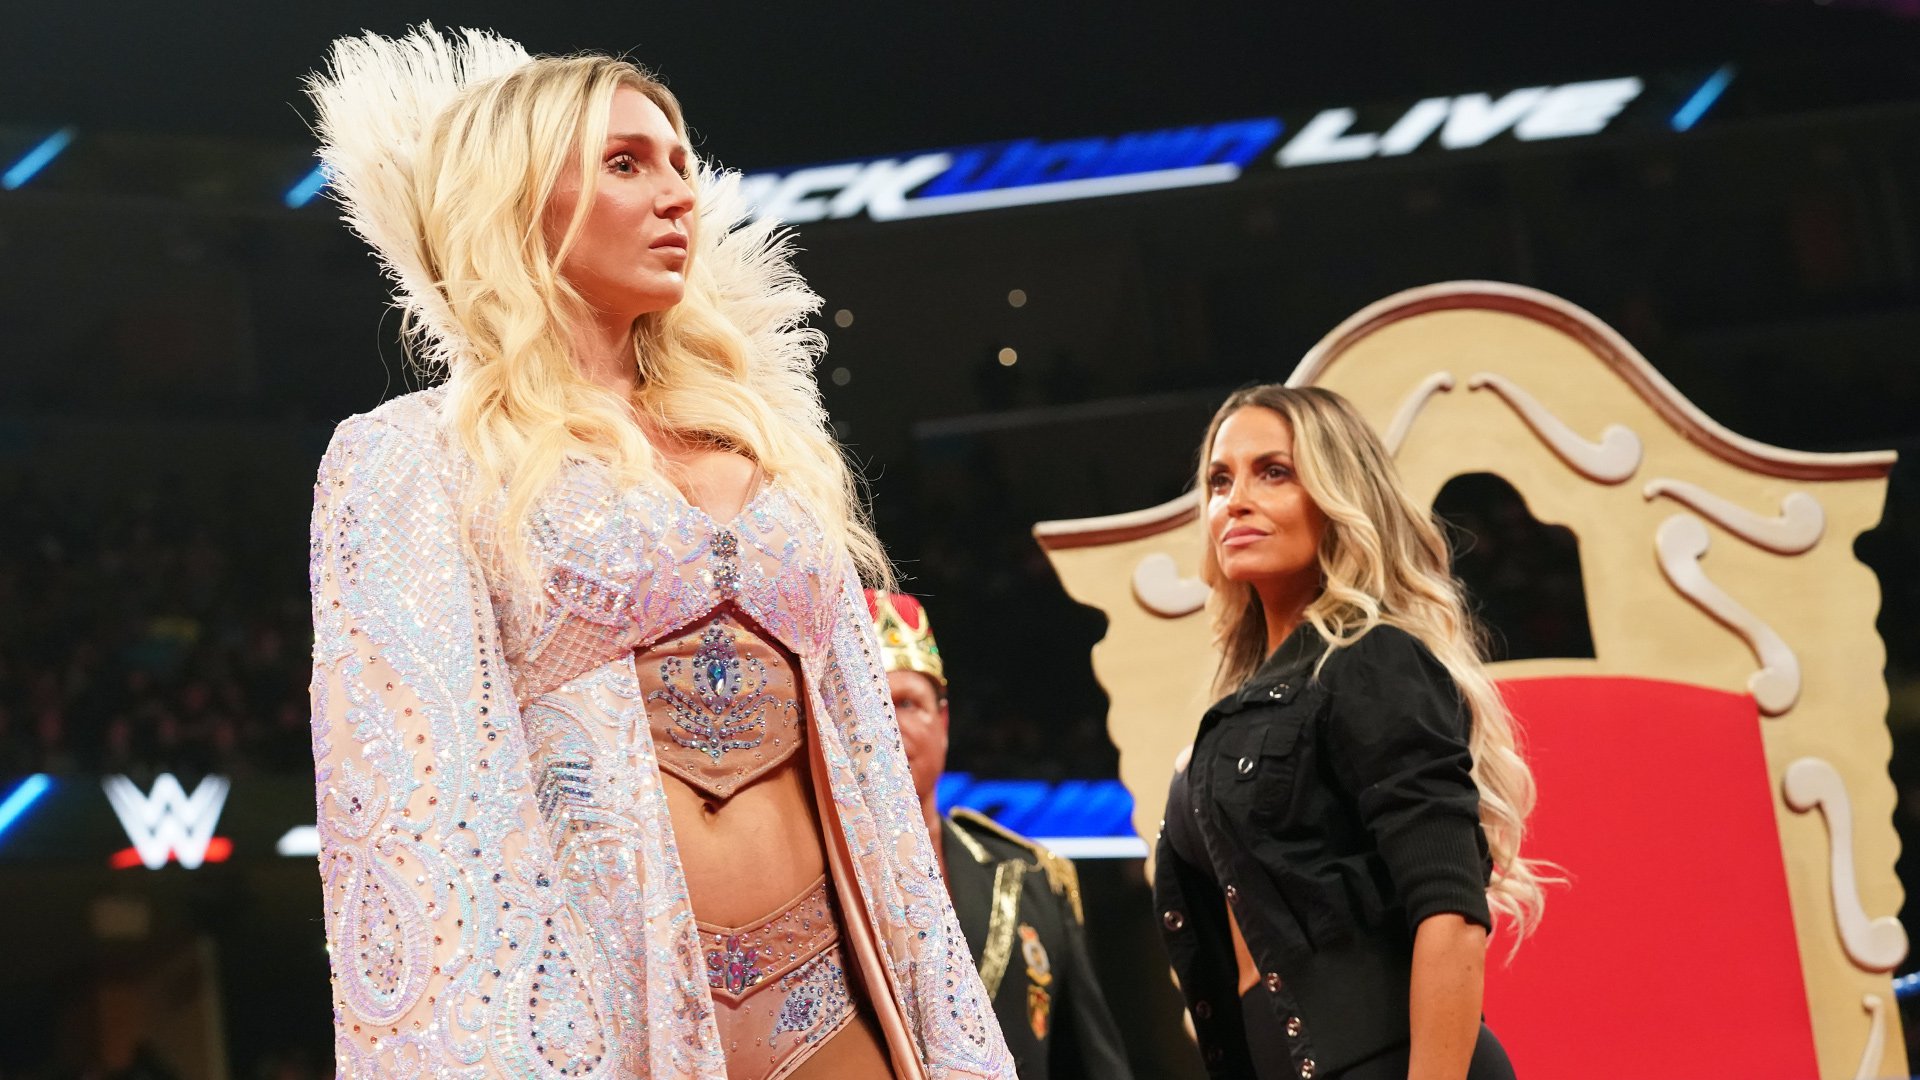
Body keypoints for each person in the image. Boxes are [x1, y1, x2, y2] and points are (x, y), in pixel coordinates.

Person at [303, 27, 1013, 1080]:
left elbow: (861, 735)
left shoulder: (766, 441)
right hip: (604, 1015)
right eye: (626, 164)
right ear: (516, 198)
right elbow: (413, 810)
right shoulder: (418, 455)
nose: (679, 195)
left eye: (680, 163)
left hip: (836, 990)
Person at [1154, 385, 1550, 1080]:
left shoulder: (1373, 660)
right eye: (1219, 480)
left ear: (1338, 495)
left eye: (1273, 472)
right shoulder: (1247, 702)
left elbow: (1451, 914)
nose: (1235, 500)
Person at [865, 591, 1135, 1080]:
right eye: (868, 702)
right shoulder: (795, 884)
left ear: (943, 721)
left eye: (906, 702)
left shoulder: (1034, 879)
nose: (888, 723)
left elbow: (1091, 1064)